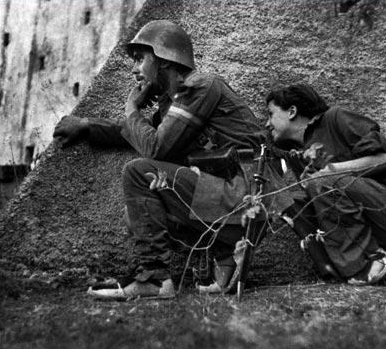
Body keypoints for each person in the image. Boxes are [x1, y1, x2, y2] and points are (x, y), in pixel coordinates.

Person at [53, 20, 293, 299]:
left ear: (164, 60)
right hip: (234, 200)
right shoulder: (176, 104)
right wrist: (87, 125)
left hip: (249, 193)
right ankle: (225, 255)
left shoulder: (200, 87)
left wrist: (131, 107)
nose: (134, 70)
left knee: (138, 173)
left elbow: (155, 148)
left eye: (140, 59)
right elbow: (135, 132)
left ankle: (156, 278)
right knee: (137, 216)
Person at [265, 83, 386, 285]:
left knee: (321, 181)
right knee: (289, 202)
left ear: (292, 111)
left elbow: (383, 160)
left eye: (271, 114)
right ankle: (336, 273)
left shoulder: (335, 118)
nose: (268, 124)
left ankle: (371, 263)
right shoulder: (297, 152)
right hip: (363, 221)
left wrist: (328, 172)